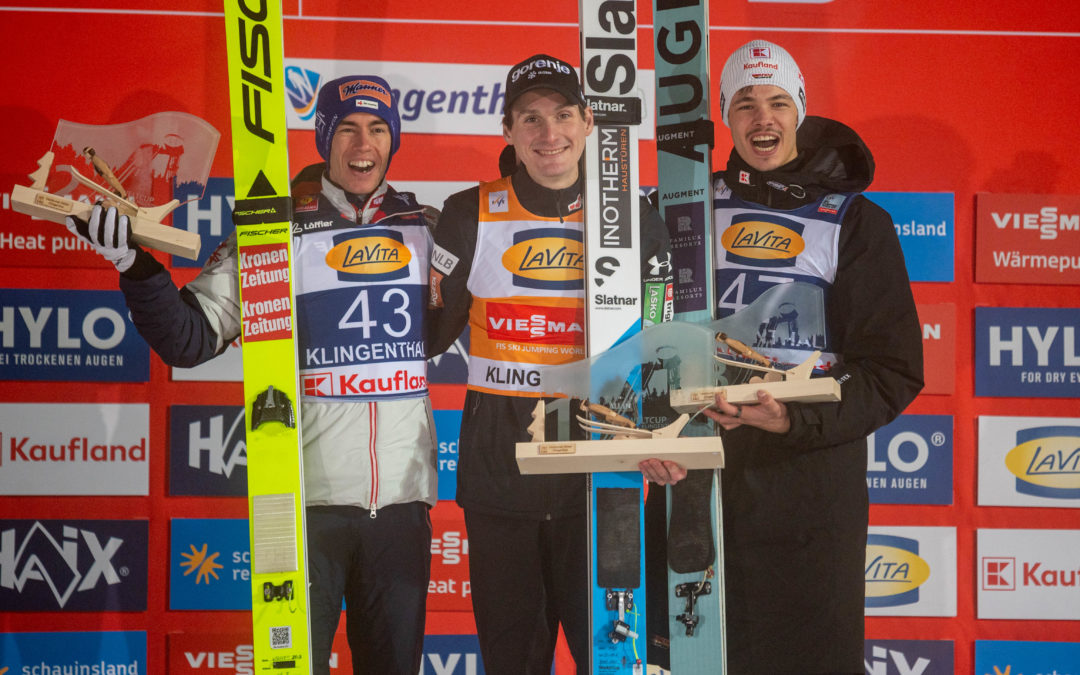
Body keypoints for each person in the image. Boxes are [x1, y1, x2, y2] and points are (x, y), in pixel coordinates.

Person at [66, 76, 438, 675]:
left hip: (400, 508)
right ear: (324, 138)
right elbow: (189, 338)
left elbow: (501, 305)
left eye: (376, 128)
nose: (362, 143)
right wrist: (135, 264)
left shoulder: (427, 227)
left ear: (393, 139)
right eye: (346, 127)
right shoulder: (274, 231)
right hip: (300, 505)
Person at [426, 53, 684, 673]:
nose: (550, 135)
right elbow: (428, 335)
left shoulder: (633, 216)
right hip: (500, 479)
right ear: (507, 131)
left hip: (605, 481)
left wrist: (662, 431)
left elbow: (660, 343)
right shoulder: (470, 211)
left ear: (589, 123)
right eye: (531, 119)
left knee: (613, 660)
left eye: (564, 115)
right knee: (513, 661)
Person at [698, 40, 924, 672]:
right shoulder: (689, 208)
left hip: (810, 490)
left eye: (777, 102)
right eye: (744, 104)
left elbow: (892, 368)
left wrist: (794, 418)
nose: (761, 119)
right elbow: (641, 335)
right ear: (724, 114)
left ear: (799, 111)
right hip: (698, 482)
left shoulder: (857, 222)